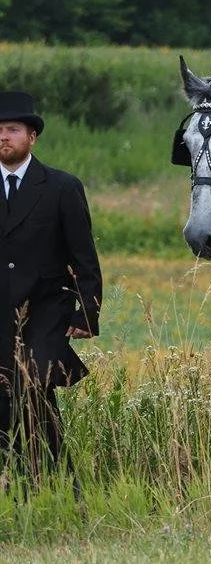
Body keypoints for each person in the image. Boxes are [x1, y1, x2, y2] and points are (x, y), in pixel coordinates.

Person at [0, 91, 103, 485]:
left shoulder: (61, 186)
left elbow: (84, 257)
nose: (4, 137)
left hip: (44, 311)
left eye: (12, 129)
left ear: (32, 137)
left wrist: (86, 312)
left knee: (32, 389)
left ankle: (61, 485)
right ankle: (25, 487)